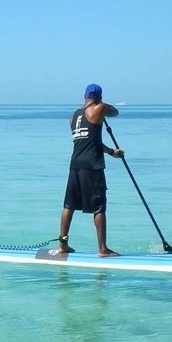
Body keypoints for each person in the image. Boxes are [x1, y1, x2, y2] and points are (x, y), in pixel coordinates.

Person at [56, 83, 123, 257]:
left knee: (68, 206)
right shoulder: (99, 108)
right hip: (92, 166)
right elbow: (115, 112)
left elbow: (91, 142)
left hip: (75, 165)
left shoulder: (73, 117)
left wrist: (111, 152)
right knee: (99, 208)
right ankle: (102, 249)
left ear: (84, 96)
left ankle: (63, 245)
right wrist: (101, 104)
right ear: (99, 97)